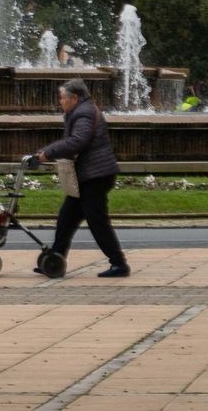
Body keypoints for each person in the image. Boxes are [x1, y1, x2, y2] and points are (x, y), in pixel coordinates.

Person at [36, 78, 129, 277]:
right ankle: (55, 260)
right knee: (66, 218)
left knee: (97, 222)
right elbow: (74, 141)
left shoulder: (84, 113)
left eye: (62, 97)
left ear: (74, 98)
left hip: (95, 176)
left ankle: (119, 264)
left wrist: (48, 153)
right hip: (89, 175)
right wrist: (47, 152)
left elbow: (78, 141)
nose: (60, 101)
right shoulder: (80, 111)